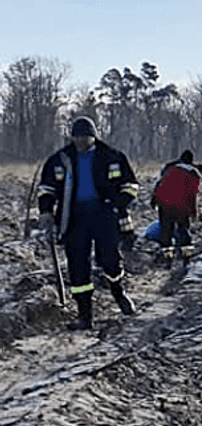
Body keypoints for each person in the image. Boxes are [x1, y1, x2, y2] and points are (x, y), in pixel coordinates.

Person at [36, 116, 141, 330]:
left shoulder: (112, 157)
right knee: (78, 267)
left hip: (104, 216)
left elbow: (131, 185)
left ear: (93, 136)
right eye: (77, 137)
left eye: (84, 137)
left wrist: (117, 204)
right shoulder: (60, 159)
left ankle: (118, 292)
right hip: (73, 219)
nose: (80, 141)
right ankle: (85, 316)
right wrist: (46, 211)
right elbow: (46, 188)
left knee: (110, 260)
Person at [151, 149, 202, 265]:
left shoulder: (169, 167)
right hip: (182, 206)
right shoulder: (194, 172)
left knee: (166, 230)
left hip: (164, 203)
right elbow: (193, 194)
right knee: (183, 229)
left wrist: (154, 201)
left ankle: (168, 258)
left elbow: (157, 184)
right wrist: (194, 212)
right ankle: (186, 257)